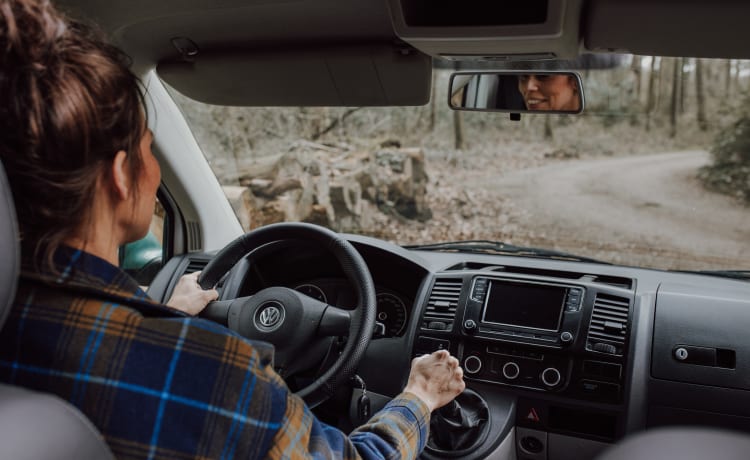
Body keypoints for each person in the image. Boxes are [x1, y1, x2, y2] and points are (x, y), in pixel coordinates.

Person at [0, 0, 466, 458]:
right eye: (149, 148)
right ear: (121, 176)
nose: (155, 170)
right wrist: (420, 397)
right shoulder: (212, 373)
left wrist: (167, 315)